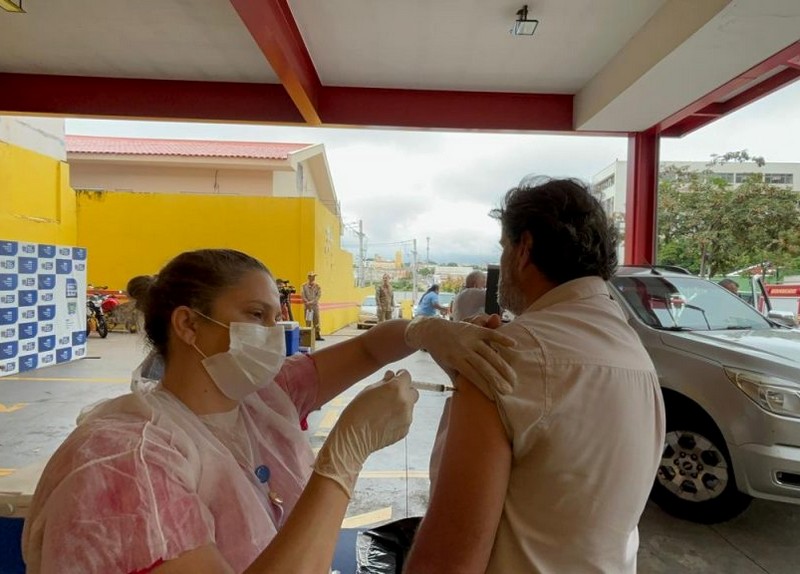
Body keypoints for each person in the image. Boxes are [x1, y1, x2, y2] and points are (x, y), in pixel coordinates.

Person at [22, 249, 517, 574]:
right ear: (188, 325)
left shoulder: (264, 399)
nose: (274, 334)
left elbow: (370, 349)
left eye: (276, 316)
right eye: (255, 316)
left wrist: (425, 332)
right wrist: (345, 455)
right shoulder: (128, 459)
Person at [406, 178, 666, 573]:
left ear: (523, 248)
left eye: (503, 248)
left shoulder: (504, 354)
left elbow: (446, 563)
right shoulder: (638, 357)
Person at [302, 271, 323, 341]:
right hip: (307, 307)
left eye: (314, 276)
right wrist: (307, 302)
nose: (313, 278)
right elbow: (303, 295)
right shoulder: (304, 286)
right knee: (308, 321)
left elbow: (318, 296)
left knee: (316, 321)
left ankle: (317, 335)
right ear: (308, 277)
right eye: (311, 276)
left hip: (314, 306)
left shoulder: (317, 286)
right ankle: (308, 336)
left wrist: (311, 302)